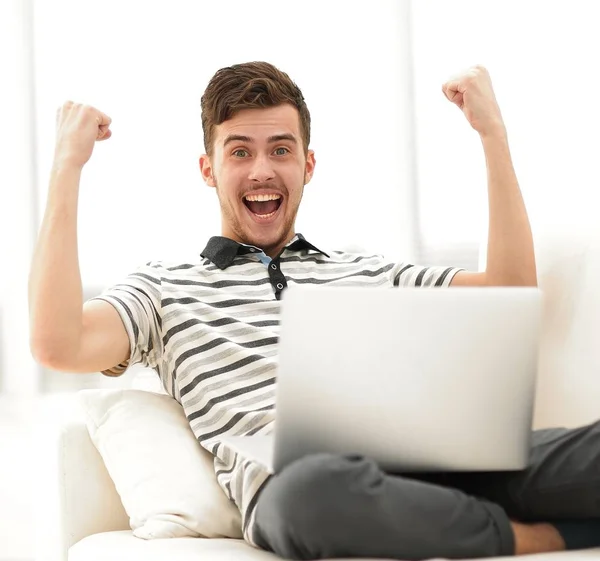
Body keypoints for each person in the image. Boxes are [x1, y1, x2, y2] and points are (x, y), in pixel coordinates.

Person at [29, 61, 600, 560]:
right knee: (313, 492)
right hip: (303, 493)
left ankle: (462, 517)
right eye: (239, 152)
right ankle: (544, 537)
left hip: (436, 468)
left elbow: (509, 291)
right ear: (209, 170)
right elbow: (58, 342)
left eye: (281, 149)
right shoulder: (163, 289)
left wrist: (491, 133)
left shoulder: (368, 271)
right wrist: (67, 167)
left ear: (307, 165)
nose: (262, 170)